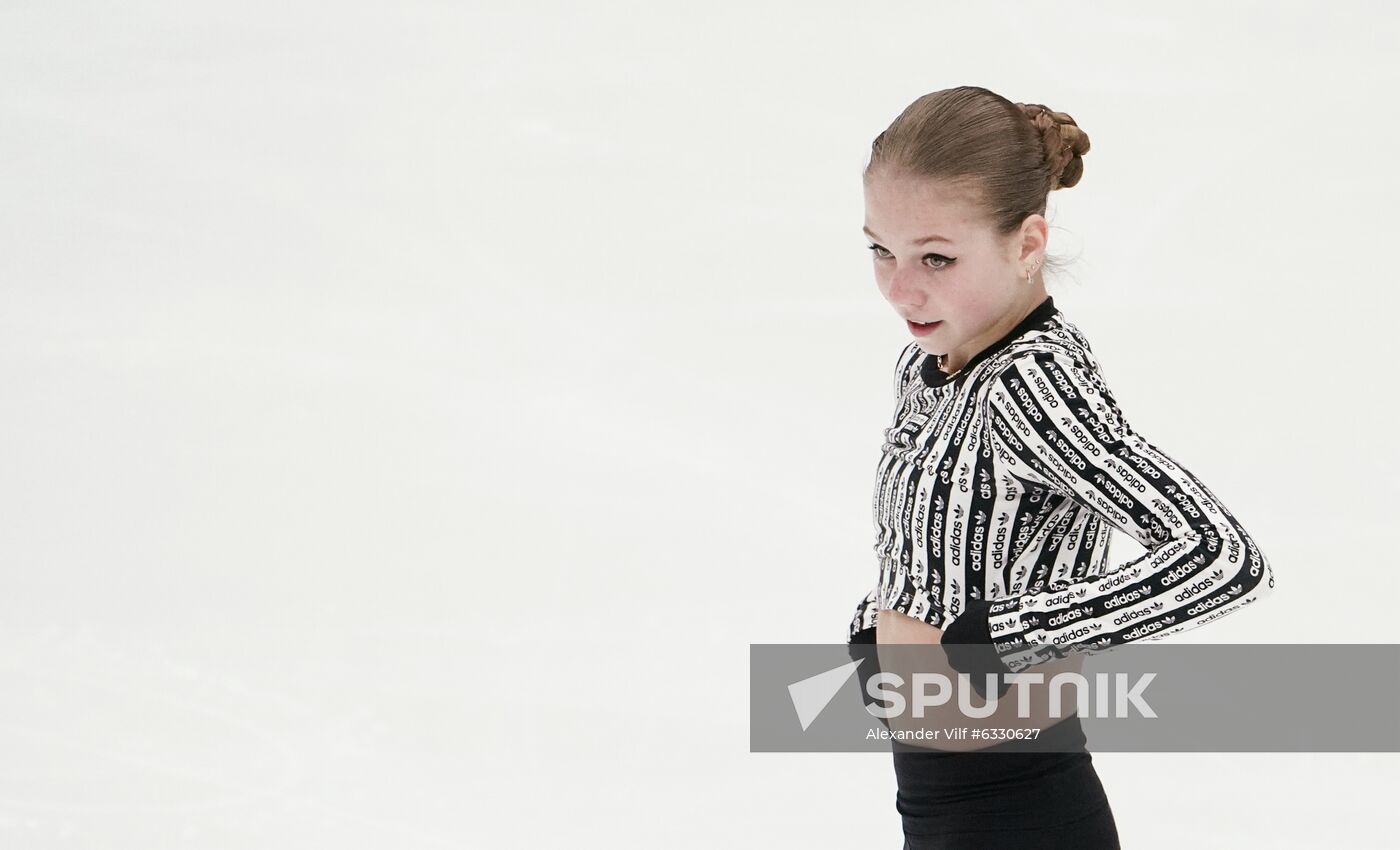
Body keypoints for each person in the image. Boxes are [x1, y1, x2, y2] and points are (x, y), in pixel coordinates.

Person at [844, 86, 1277, 849]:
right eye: (882, 249)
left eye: (937, 257)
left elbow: (1221, 559)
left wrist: (1008, 634)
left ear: (1028, 243)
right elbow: (951, 538)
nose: (900, 288)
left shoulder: (1034, 382)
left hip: (1018, 808)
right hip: (934, 796)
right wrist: (878, 623)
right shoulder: (930, 363)